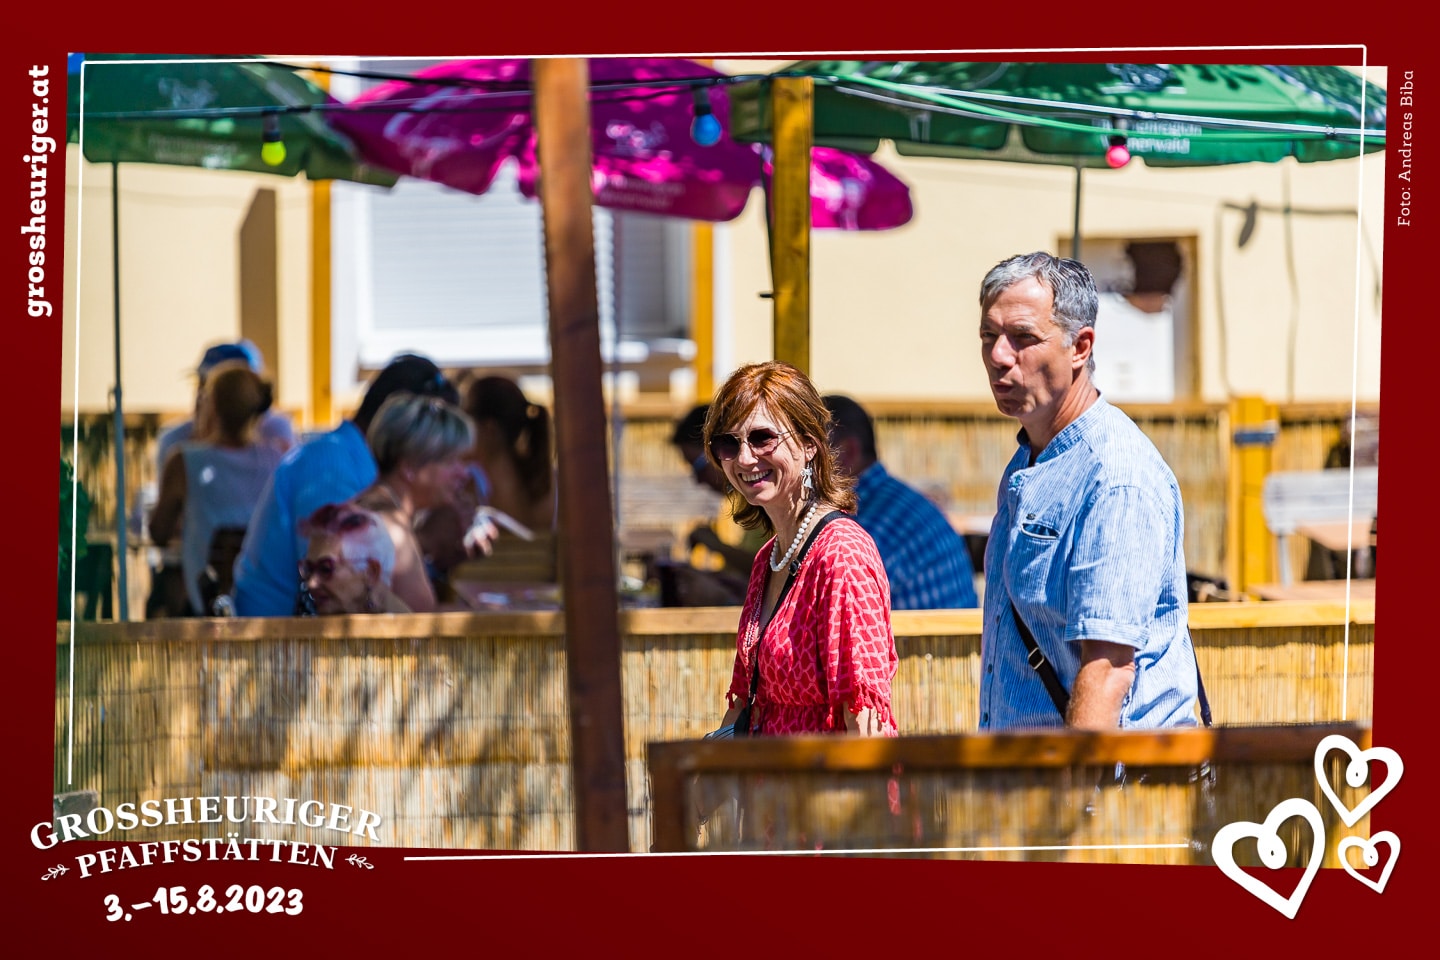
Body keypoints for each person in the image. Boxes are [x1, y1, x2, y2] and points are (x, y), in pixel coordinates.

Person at [976, 251, 1200, 730]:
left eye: (1022, 338)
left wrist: (1077, 776)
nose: (998, 356)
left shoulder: (1115, 477)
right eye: (989, 336)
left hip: (1107, 774)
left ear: (1080, 347)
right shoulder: (1032, 456)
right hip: (1031, 770)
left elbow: (1108, 671)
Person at [706, 361, 898, 737]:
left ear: (809, 444)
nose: (744, 458)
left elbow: (865, 724)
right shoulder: (769, 557)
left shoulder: (842, 555)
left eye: (762, 438)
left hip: (826, 774)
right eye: (729, 443)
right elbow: (745, 704)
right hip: (770, 773)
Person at [231, 354, 459, 617]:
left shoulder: (350, 459)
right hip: (273, 634)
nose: (460, 470)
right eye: (441, 441)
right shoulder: (331, 466)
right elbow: (336, 589)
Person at [142, 341, 295, 618]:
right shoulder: (278, 456)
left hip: (207, 606)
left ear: (210, 403)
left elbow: (159, 533)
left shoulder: (184, 459)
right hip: (268, 604)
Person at [823, 394, 979, 610]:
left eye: (812, 450)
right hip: (955, 632)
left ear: (847, 452)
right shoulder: (896, 500)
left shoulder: (862, 523)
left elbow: (833, 607)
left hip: (924, 632)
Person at [351, 393, 476, 614]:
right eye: (450, 461)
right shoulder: (392, 529)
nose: (463, 473)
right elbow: (424, 623)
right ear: (409, 467)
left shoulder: (363, 507)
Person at [660, 403, 766, 606]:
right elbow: (751, 578)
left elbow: (776, 571)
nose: (698, 480)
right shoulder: (745, 503)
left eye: (698, 466)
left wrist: (716, 546)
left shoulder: (767, 498)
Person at [461, 375, 556, 534]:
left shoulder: (467, 489)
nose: (459, 434)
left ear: (489, 429)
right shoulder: (552, 482)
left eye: (464, 421)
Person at [298, 503, 410, 615]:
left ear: (371, 572)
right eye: (308, 570)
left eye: (325, 569)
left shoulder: (403, 624)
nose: (311, 584)